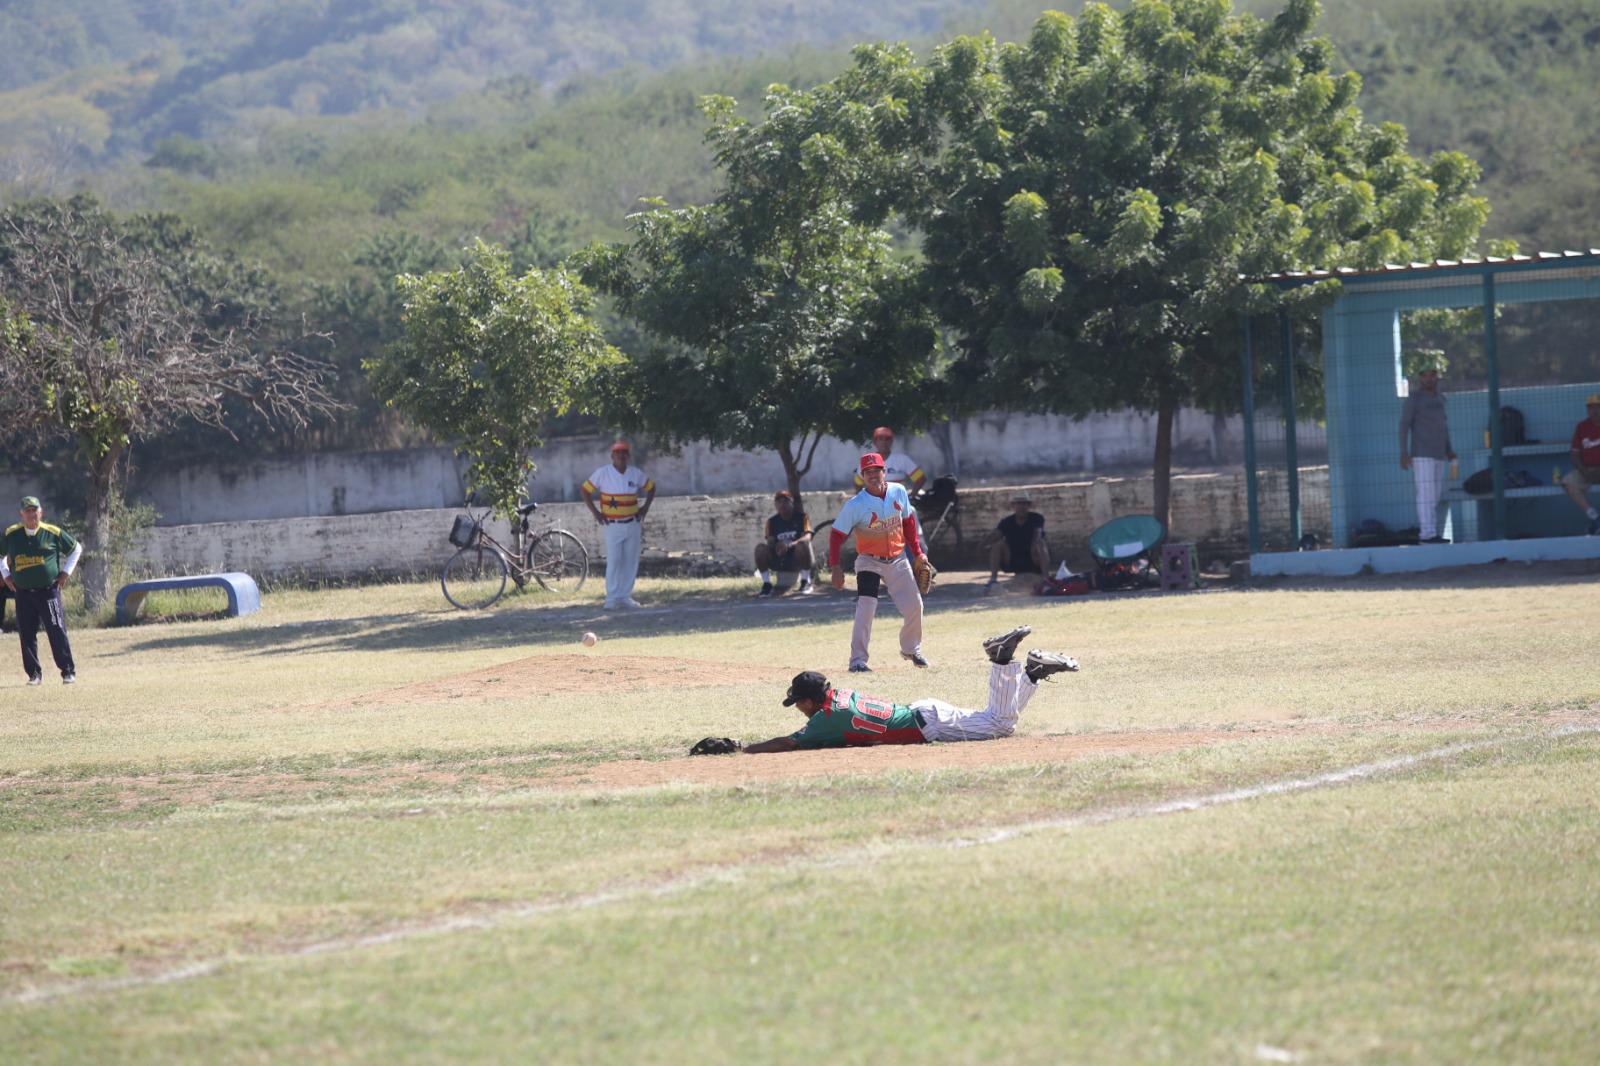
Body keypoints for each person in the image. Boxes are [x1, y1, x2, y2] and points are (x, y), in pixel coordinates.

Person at [738, 624, 1078, 753]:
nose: (798, 707)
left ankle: (1002, 661)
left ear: (812, 700)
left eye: (799, 702)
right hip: (924, 712)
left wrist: (746, 749)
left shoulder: (825, 718)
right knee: (1001, 720)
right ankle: (1033, 672)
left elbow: (790, 742)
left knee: (1001, 724)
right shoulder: (839, 696)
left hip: (930, 725)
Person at [829, 452, 930, 672]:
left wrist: (919, 553)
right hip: (869, 561)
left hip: (897, 558)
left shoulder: (899, 492)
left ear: (885, 472)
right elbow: (836, 536)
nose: (873, 475)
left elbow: (908, 523)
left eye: (877, 470)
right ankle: (857, 661)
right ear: (862, 476)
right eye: (868, 472)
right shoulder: (856, 504)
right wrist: (836, 568)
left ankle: (911, 649)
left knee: (915, 606)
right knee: (867, 607)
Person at [1, 496, 81, 685]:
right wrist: (6, 574)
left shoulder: (51, 532)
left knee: (57, 630)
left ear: (41, 512)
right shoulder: (12, 534)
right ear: (21, 514)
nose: (31, 514)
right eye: (27, 511)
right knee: (27, 634)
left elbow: (76, 549)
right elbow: (1, 556)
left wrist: (65, 573)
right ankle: (34, 674)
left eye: (34, 510)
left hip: (48, 591)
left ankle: (68, 671)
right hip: (22, 592)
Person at [580, 441, 655, 609]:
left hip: (633, 523)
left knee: (630, 560)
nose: (621, 456)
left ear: (628, 456)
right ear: (612, 456)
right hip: (612, 524)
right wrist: (596, 513)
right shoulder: (603, 473)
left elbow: (651, 488)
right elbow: (585, 490)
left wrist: (645, 509)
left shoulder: (635, 473)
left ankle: (625, 596)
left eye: (624, 453)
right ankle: (612, 598)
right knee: (614, 560)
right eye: (618, 453)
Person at [1398, 359, 1456, 544]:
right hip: (1421, 453)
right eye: (1425, 375)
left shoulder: (1440, 399)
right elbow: (1404, 426)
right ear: (1420, 378)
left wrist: (1449, 450)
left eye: (1432, 375)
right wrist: (1403, 452)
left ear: (1436, 377)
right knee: (1425, 494)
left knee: (1435, 494)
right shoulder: (1414, 399)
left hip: (1439, 453)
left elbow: (1443, 426)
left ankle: (1432, 533)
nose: (1429, 379)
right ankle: (1427, 534)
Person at [983, 493, 1051, 592]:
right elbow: (996, 534)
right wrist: (983, 544)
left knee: (1040, 543)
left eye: (1024, 504)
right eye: (1018, 504)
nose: (1021, 507)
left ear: (1028, 506)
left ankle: (1046, 579)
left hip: (1033, 559)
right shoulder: (1007, 522)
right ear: (1013, 506)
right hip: (1013, 560)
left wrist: (1034, 544)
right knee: (998, 545)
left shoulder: (1037, 518)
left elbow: (1038, 533)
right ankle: (993, 579)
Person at [755, 490, 815, 596]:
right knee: (760, 549)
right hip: (779, 558)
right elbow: (770, 541)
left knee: (802, 546)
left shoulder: (802, 517)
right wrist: (776, 547)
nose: (782, 505)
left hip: (796, 558)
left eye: (785, 501)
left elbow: (808, 536)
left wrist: (790, 544)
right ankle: (767, 585)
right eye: (779, 502)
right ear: (775, 505)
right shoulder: (771, 522)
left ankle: (806, 582)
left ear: (791, 503)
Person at [1560, 393, 1600, 535]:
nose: (1594, 411)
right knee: (1567, 482)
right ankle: (1595, 518)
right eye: (1591, 408)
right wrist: (1584, 471)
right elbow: (1575, 454)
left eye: (1597, 407)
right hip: (1586, 469)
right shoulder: (1582, 427)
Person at [849, 426, 927, 493]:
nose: (884, 442)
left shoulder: (902, 459)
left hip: (897, 504)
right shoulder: (868, 461)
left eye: (887, 439)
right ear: (875, 442)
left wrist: (912, 496)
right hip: (875, 506)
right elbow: (858, 482)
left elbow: (921, 479)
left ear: (891, 441)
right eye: (880, 439)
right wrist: (861, 499)